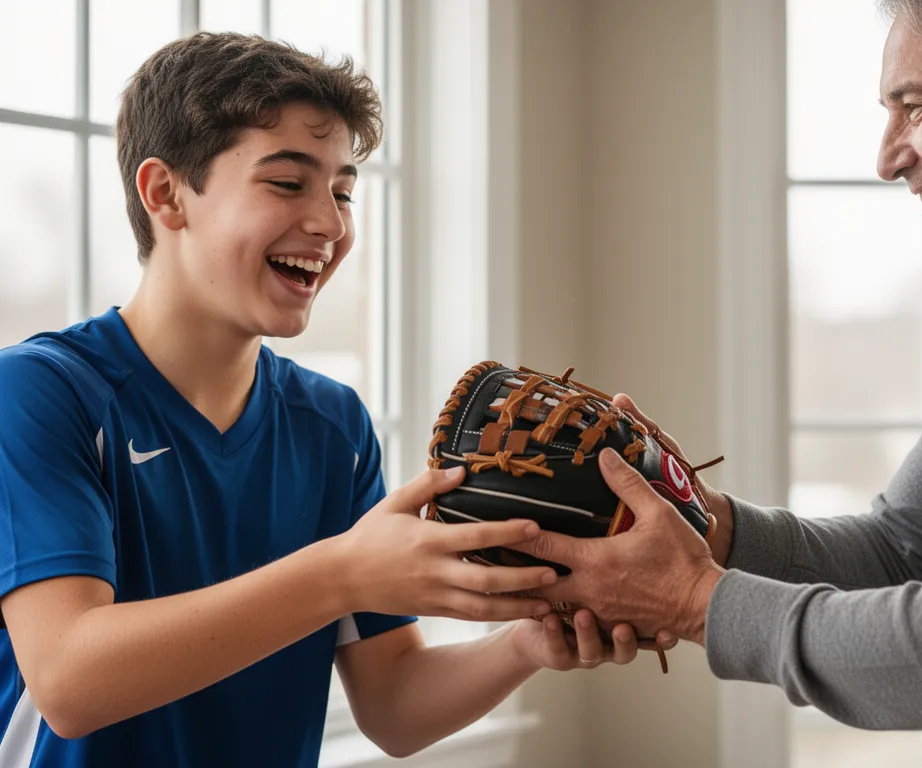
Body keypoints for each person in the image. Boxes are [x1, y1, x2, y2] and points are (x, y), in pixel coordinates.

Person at [0, 32, 653, 768]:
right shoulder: (38, 392)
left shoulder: (333, 424)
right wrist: (343, 572)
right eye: (288, 183)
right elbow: (69, 678)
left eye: (342, 191)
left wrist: (527, 644)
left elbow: (394, 707)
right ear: (166, 194)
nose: (331, 224)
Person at [514, 2, 922, 767]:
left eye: (913, 107)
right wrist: (703, 524)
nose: (888, 157)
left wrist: (694, 601)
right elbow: (899, 551)